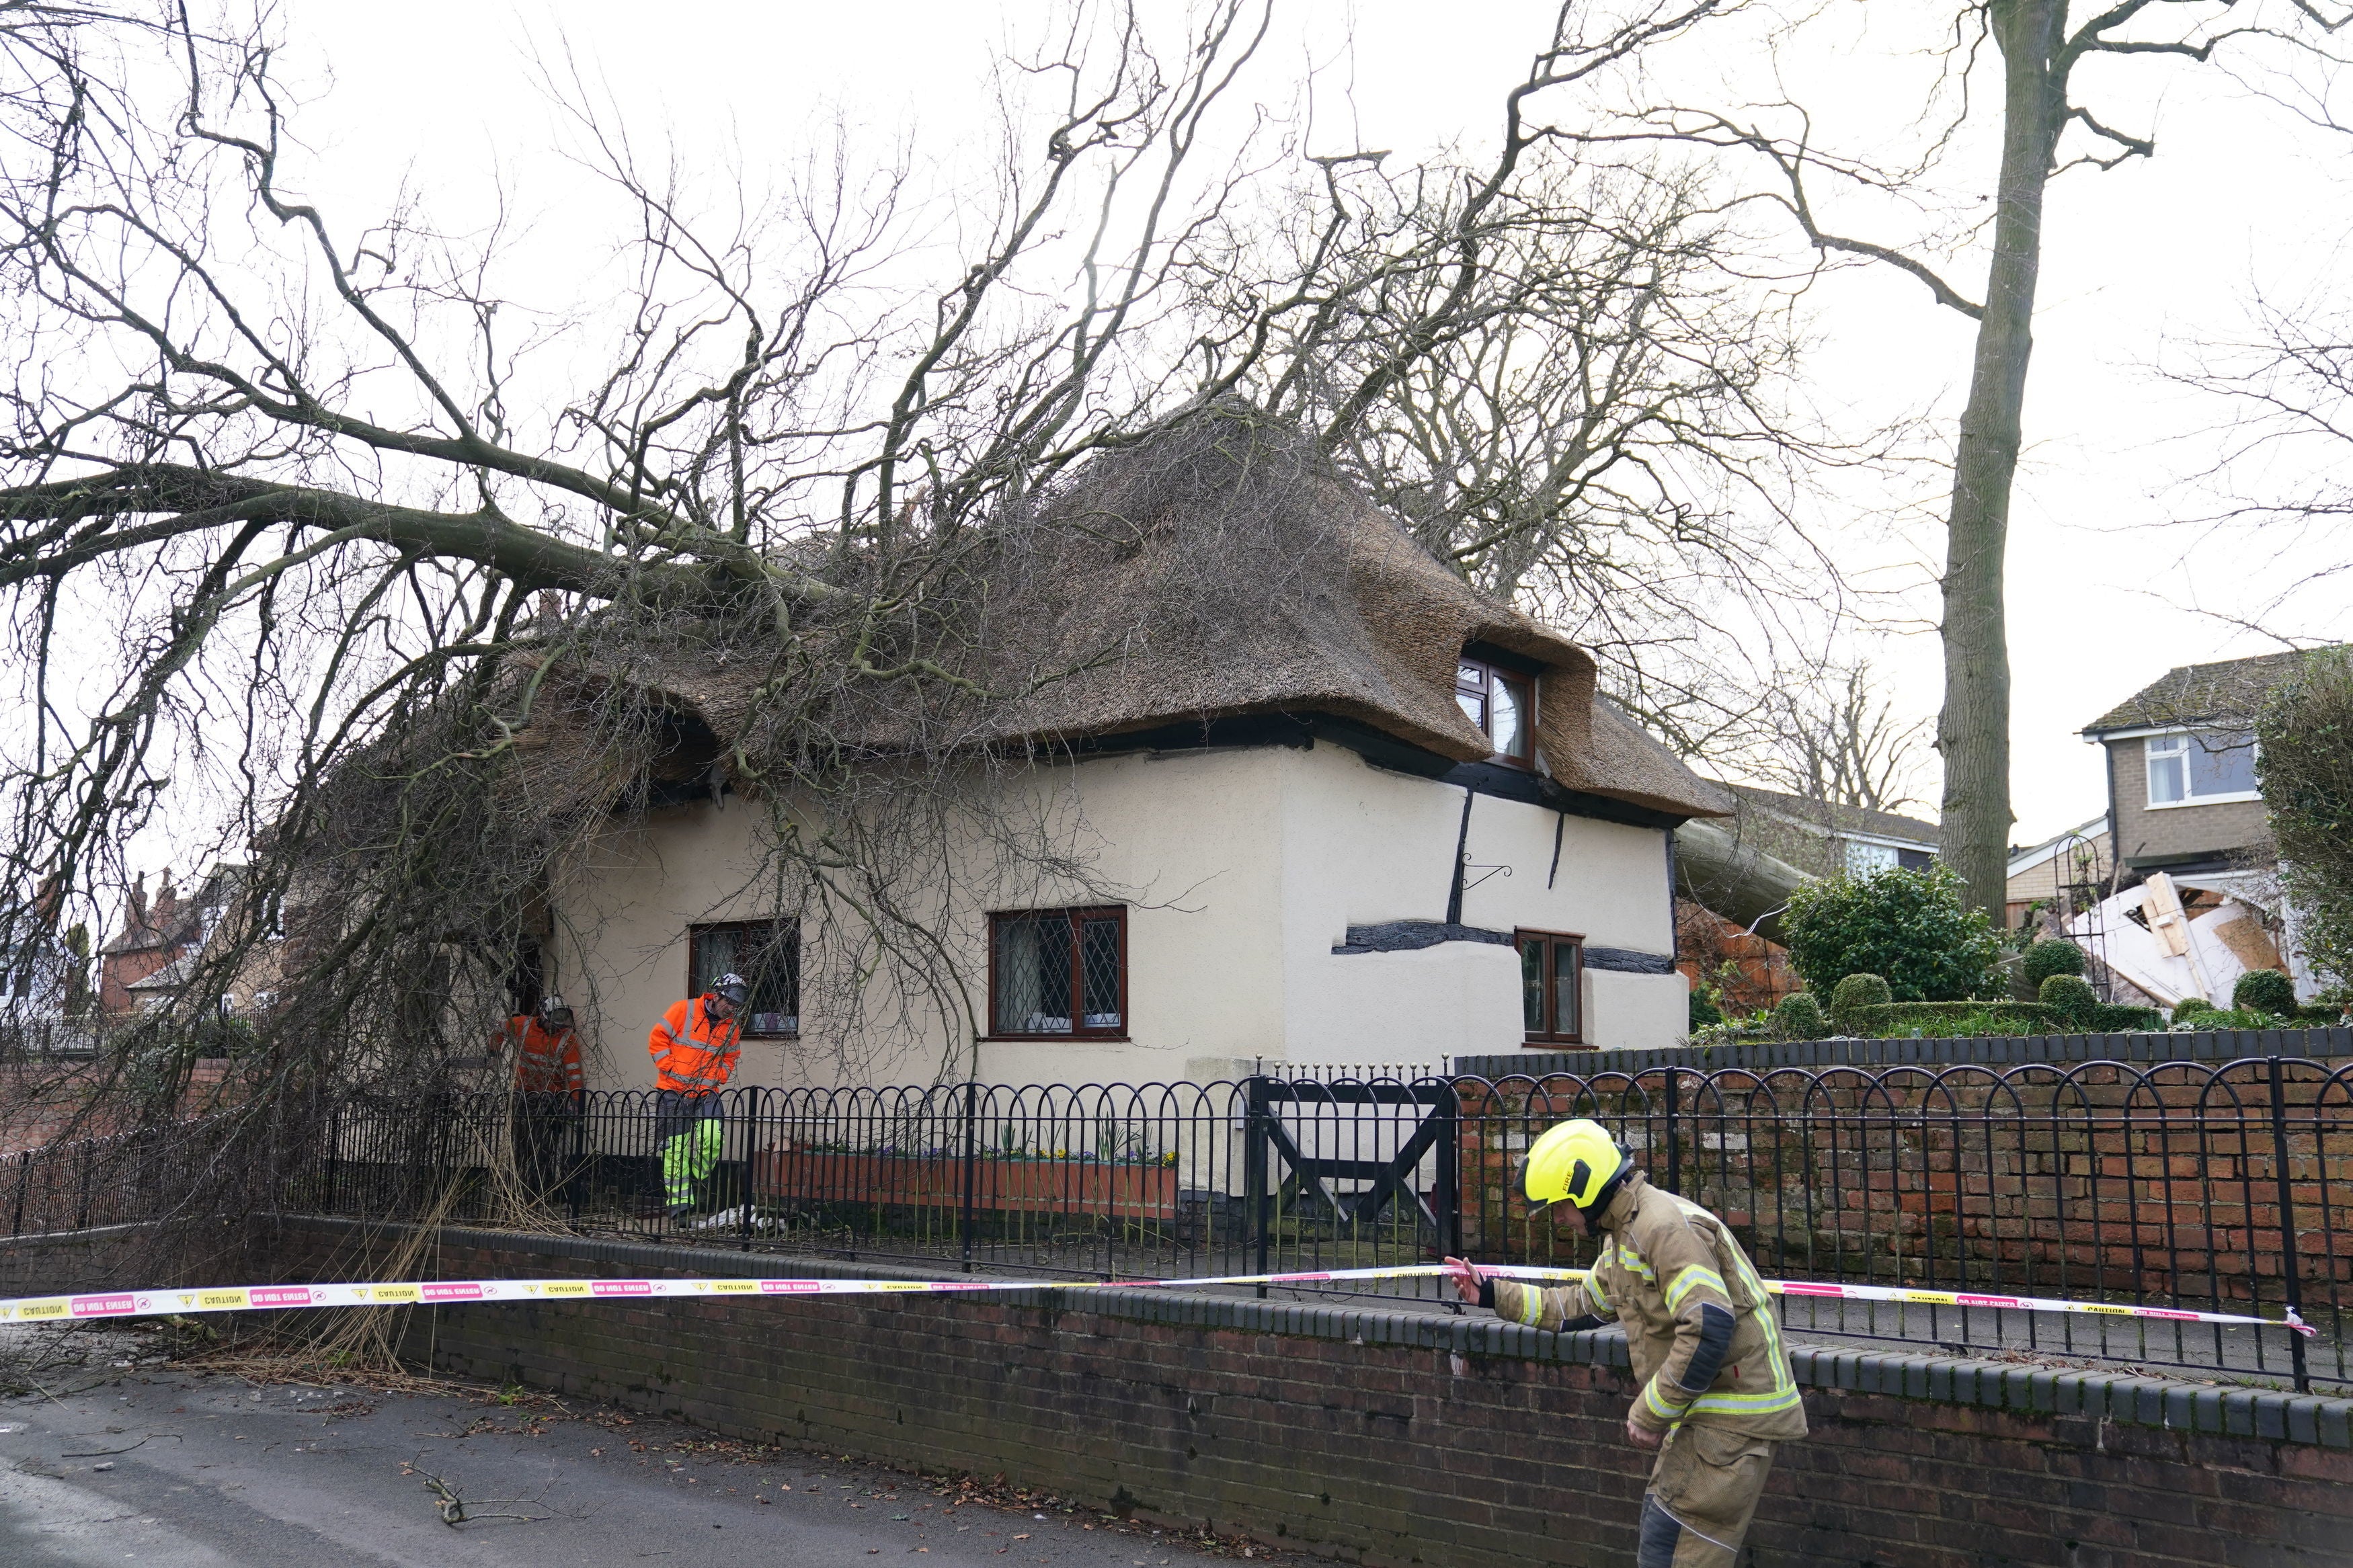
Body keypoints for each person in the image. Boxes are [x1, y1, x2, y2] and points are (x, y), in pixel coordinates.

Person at [1444, 1118, 1805, 1568]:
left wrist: (1650, 1411)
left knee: (1669, 1551)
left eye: (1559, 1205)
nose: (1557, 1216)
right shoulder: (1627, 1233)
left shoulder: (1662, 1229)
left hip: (1732, 1417)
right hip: (1712, 1415)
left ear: (1587, 1190)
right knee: (1665, 1539)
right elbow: (1580, 1303)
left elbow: (1709, 1323)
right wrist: (1492, 1293)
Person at [647, 973, 747, 1219]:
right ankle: (680, 1207)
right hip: (673, 1092)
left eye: (736, 1005)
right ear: (716, 995)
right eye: (729, 1003)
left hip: (707, 1092)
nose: (732, 1009)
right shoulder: (684, 1009)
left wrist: (719, 1077)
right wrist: (670, 1068)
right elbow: (657, 1038)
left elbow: (731, 1055)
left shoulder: (731, 1026)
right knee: (675, 1150)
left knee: (712, 1139)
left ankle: (696, 1177)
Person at [493, 995, 585, 1200]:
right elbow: (499, 1029)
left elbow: (573, 1073)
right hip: (524, 1095)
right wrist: (494, 1053)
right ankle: (519, 1192)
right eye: (555, 1021)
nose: (557, 1027)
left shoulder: (566, 1038)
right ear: (543, 1015)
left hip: (551, 1098)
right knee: (522, 1145)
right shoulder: (523, 1025)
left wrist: (577, 1101)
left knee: (544, 1148)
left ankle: (538, 1192)